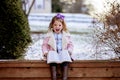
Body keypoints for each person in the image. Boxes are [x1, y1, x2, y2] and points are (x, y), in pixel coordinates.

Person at [42, 13, 74, 80]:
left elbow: (70, 44)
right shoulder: (49, 35)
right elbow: (44, 45)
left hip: (63, 53)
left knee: (65, 63)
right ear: (52, 26)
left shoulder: (66, 35)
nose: (57, 27)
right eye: (55, 25)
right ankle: (54, 78)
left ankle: (64, 78)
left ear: (62, 26)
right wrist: (45, 52)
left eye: (59, 25)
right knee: (53, 65)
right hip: (53, 53)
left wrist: (69, 51)